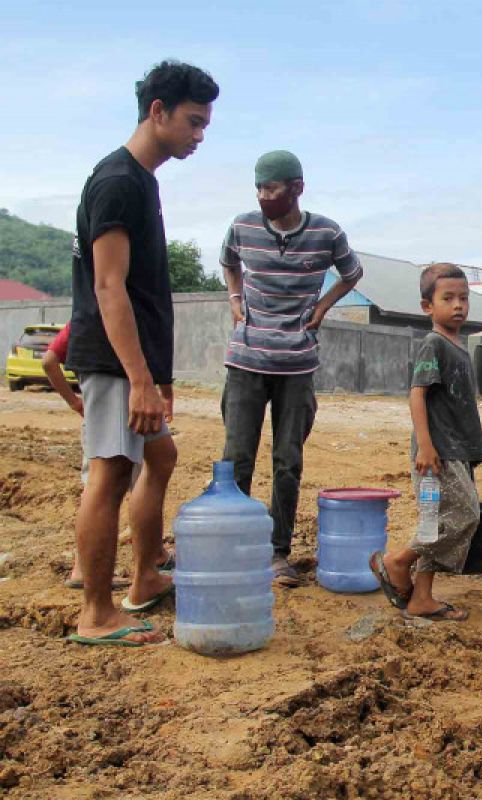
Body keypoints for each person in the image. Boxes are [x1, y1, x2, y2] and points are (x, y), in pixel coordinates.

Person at [64, 60, 218, 646]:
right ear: (158, 113)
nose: (199, 135)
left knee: (161, 458)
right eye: (193, 122)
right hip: (111, 361)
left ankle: (146, 573)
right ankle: (97, 613)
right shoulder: (117, 181)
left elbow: (146, 289)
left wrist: (159, 374)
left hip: (136, 364)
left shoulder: (140, 180)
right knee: (110, 474)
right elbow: (110, 286)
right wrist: (138, 379)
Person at [219, 150, 364, 586]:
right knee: (237, 458)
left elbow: (353, 273)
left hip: (297, 364)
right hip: (246, 359)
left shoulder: (326, 232)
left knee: (287, 462)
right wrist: (234, 299)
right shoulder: (242, 226)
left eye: (273, 189)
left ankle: (277, 551)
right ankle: (236, 547)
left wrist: (321, 307)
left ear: (297, 188)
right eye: (259, 189)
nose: (264, 196)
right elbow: (229, 262)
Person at [368, 264, 482, 622]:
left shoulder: (459, 349)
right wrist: (425, 446)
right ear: (427, 307)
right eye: (448, 298)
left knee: (435, 523)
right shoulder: (433, 344)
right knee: (464, 516)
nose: (458, 305)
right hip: (437, 454)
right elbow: (416, 395)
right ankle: (397, 561)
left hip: (456, 453)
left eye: (463, 298)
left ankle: (422, 598)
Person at [43, 323, 171, 590]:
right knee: (111, 483)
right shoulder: (100, 317)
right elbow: (48, 361)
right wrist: (74, 402)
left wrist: (75, 402)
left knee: (129, 476)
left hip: (107, 406)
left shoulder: (79, 323)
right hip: (120, 401)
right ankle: (89, 572)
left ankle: (152, 557)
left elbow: (49, 362)